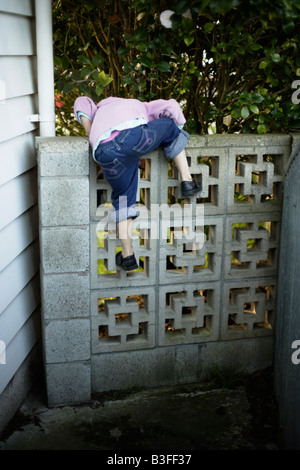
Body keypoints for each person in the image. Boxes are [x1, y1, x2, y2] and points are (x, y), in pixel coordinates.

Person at [74, 96, 202, 271]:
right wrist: (175, 135)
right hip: (132, 138)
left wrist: (92, 138)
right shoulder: (143, 105)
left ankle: (128, 255)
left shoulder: (97, 110)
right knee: (170, 128)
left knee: (123, 199)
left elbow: (81, 101)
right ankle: (187, 180)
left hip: (104, 152)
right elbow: (171, 107)